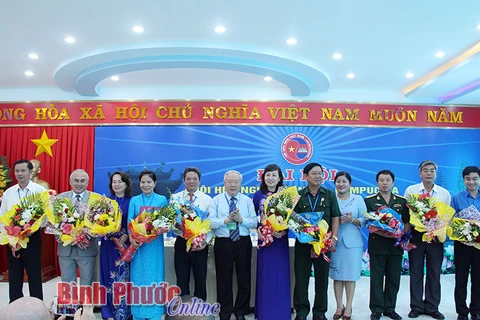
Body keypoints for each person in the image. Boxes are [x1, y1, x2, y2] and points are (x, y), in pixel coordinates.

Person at [404, 160, 451, 320]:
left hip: (436, 238)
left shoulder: (444, 193)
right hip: (417, 236)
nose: (429, 173)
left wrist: (437, 227)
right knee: (416, 271)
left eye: (432, 170)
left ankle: (432, 307)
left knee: (434, 272)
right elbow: (407, 214)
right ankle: (416, 306)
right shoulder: (411, 190)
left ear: (435, 173)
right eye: (425, 170)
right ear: (420, 173)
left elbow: (447, 217)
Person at [293, 162, 340, 320]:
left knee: (322, 280)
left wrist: (333, 237)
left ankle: (319, 313)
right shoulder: (298, 195)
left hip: (324, 244)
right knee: (301, 279)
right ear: (305, 176)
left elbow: (335, 217)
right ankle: (301, 312)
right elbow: (292, 219)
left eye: (320, 173)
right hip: (303, 244)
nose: (318, 176)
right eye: (314, 173)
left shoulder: (329, 194)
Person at [209, 170, 257, 320]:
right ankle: (225, 312)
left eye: (236, 182)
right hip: (223, 243)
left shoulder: (247, 201)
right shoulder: (216, 200)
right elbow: (210, 222)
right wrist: (226, 220)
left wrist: (241, 219)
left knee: (244, 279)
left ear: (241, 184)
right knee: (224, 279)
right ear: (224, 183)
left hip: (243, 242)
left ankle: (240, 312)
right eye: (230, 182)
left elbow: (255, 222)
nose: (233, 185)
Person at [365, 170, 410, 320]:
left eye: (388, 180)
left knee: (393, 277)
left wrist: (400, 233)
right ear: (377, 183)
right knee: (376, 278)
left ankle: (390, 308)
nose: (385, 183)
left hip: (395, 245)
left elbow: (407, 222)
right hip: (377, 243)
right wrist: (382, 232)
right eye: (382, 180)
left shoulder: (401, 201)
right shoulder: (370, 201)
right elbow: (368, 222)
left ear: (393, 182)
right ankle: (376, 309)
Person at [0, 159, 45, 303]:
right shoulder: (9, 193)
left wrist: (33, 229)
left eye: (23, 170)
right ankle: (15, 305)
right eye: (17, 171)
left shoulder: (40, 191)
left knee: (34, 273)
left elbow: (45, 215)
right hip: (13, 239)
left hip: (32, 238)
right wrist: (7, 237)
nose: (20, 174)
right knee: (14, 274)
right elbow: (2, 216)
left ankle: (37, 306)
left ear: (30, 172)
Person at [128, 169, 168, 320]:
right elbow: (129, 221)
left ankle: (155, 313)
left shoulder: (162, 200)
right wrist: (133, 239)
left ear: (155, 183)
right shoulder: (135, 200)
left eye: (149, 182)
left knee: (154, 277)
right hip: (138, 247)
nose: (146, 185)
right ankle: (138, 313)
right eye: (143, 182)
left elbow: (165, 221)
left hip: (154, 246)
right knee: (138, 277)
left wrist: (157, 230)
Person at [252, 164, 291, 320]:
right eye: (268, 175)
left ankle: (281, 313)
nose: (271, 178)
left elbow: (291, 218)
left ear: (280, 178)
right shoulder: (258, 195)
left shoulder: (287, 195)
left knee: (280, 276)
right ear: (263, 177)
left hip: (280, 241)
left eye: (274, 175)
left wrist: (284, 231)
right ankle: (264, 313)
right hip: (265, 241)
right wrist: (258, 230)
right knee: (265, 276)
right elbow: (252, 216)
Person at [329, 171, 367, 320]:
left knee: (350, 277)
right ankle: (339, 306)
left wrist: (352, 220)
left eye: (344, 181)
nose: (341, 184)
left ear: (350, 183)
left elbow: (365, 220)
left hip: (353, 243)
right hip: (335, 242)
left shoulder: (357, 199)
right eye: (338, 181)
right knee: (337, 276)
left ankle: (349, 306)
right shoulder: (331, 198)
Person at [172, 167, 212, 301]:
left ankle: (200, 313)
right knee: (182, 279)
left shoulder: (207, 200)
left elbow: (210, 225)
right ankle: (183, 313)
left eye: (195, 179)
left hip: (199, 244)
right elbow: (169, 221)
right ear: (184, 181)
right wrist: (177, 225)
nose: (191, 181)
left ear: (199, 181)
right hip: (182, 243)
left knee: (200, 280)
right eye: (188, 179)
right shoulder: (175, 199)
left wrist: (205, 241)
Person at [57, 169, 99, 286]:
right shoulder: (60, 198)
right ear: (70, 181)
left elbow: (100, 224)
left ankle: (87, 305)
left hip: (87, 249)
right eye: (76, 180)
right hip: (65, 249)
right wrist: (62, 236)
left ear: (87, 183)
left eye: (82, 181)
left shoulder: (96, 199)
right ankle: (70, 305)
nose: (79, 184)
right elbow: (53, 222)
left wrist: (86, 236)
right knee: (67, 283)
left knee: (88, 282)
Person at [100, 171, 133, 320]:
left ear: (126, 184)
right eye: (114, 181)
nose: (117, 184)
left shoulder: (132, 201)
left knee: (122, 278)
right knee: (107, 277)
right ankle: (108, 313)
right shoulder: (106, 201)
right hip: (108, 244)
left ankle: (124, 313)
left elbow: (134, 222)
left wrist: (127, 233)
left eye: (120, 181)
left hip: (123, 247)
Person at [450, 166, 480, 320]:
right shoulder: (456, 198)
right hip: (462, 245)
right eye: (468, 179)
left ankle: (476, 310)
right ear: (464, 180)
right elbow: (450, 221)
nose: (471, 182)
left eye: (474, 178)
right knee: (460, 279)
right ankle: (462, 312)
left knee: (478, 279)